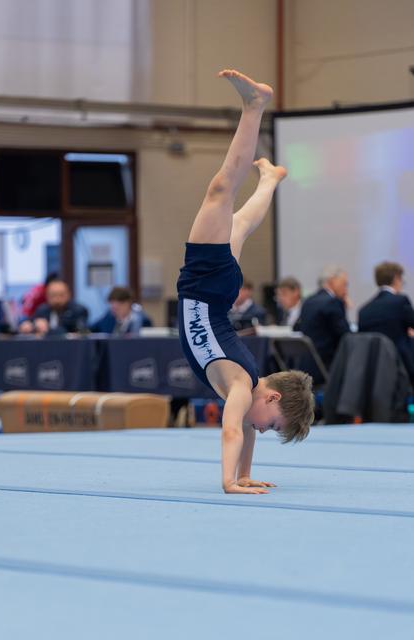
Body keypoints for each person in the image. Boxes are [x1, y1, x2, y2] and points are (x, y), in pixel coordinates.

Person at [177, 69, 314, 495]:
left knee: (239, 224)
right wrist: (228, 483)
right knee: (221, 190)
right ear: (271, 399)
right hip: (206, 286)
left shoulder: (250, 384)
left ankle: (270, 179)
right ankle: (254, 106)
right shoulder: (240, 383)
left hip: (218, 291)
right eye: (274, 424)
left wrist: (245, 474)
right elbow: (233, 433)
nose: (265, 429)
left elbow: (248, 431)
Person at [358, 261, 414, 382]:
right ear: (396, 279)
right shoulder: (400, 301)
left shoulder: (364, 310)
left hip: (372, 370)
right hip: (401, 367)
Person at [300, 265, 351, 368]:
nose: (346, 289)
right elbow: (346, 335)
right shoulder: (333, 302)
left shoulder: (308, 301)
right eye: (344, 284)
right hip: (328, 363)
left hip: (308, 363)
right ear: (332, 281)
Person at [19, 279, 88, 335]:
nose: (57, 299)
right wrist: (29, 326)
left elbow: (81, 331)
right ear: (47, 296)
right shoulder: (42, 310)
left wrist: (47, 328)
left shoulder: (78, 310)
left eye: (61, 295)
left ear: (68, 295)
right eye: (53, 295)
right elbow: (30, 321)